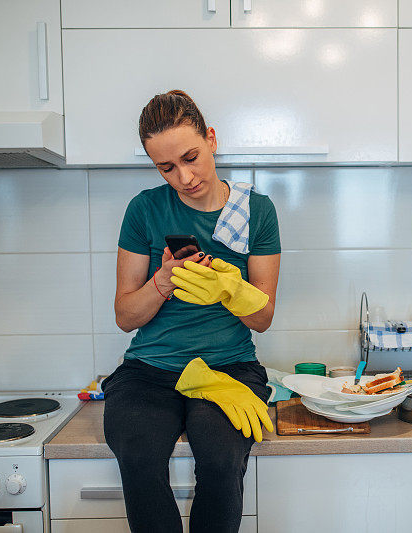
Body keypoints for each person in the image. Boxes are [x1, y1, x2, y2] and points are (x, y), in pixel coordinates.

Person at [101, 90, 281, 533]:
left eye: (191, 157)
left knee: (221, 460)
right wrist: (161, 283)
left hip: (228, 369)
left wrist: (231, 290)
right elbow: (125, 316)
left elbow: (263, 317)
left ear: (212, 139)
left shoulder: (256, 213)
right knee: (139, 457)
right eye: (167, 167)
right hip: (150, 371)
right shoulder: (144, 209)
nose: (184, 177)